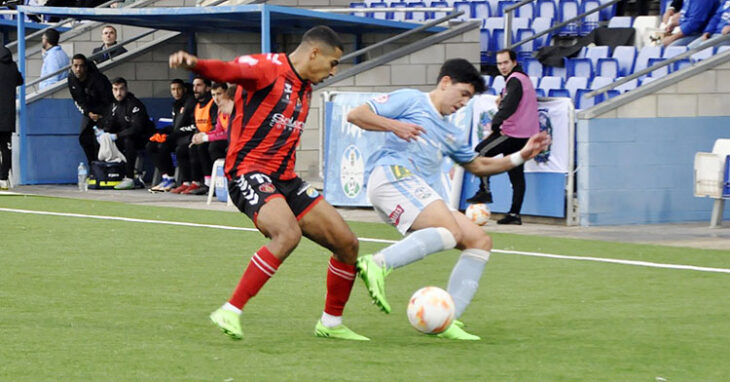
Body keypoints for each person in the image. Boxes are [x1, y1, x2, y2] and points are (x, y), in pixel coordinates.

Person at [169, 25, 369, 341]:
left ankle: (331, 324)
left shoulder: (305, 88)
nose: (333, 72)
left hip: (285, 179)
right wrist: (196, 65)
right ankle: (230, 310)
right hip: (248, 171)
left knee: (348, 244)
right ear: (314, 53)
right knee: (287, 233)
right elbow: (229, 70)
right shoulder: (268, 68)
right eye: (333, 63)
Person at [347, 58, 550, 340]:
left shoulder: (450, 133)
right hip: (390, 177)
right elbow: (356, 115)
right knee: (450, 230)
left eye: (470, 98)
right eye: (463, 94)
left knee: (480, 240)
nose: (464, 102)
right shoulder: (411, 100)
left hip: (416, 191)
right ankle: (377, 264)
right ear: (445, 83)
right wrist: (395, 126)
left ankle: (447, 319)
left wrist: (521, 155)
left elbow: (478, 166)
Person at [466, 49, 539, 225]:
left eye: (505, 62)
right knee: (516, 173)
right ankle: (514, 214)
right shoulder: (522, 79)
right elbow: (510, 98)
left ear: (514, 62)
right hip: (526, 134)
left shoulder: (515, 80)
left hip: (513, 132)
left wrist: (496, 123)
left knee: (480, 152)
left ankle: (485, 190)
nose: (502, 67)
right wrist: (501, 98)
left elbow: (510, 104)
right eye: (499, 64)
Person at [99, 77, 155, 190]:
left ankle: (130, 178)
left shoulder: (135, 105)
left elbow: (137, 128)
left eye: (121, 89)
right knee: (100, 138)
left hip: (143, 138)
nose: (118, 93)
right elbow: (111, 125)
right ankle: (101, 172)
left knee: (129, 140)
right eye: (115, 89)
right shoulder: (115, 105)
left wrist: (117, 135)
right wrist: (103, 131)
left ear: (126, 89)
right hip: (125, 136)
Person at [169, 76, 215, 195]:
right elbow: (197, 124)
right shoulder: (198, 105)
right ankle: (187, 182)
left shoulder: (212, 103)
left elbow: (216, 125)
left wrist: (203, 136)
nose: (195, 89)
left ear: (208, 88)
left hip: (213, 137)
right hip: (201, 136)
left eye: (199, 85)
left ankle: (206, 183)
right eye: (194, 86)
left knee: (200, 148)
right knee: (181, 149)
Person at [68, 54, 114, 166]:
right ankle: (92, 166)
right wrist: (88, 113)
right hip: (89, 112)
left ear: (86, 67)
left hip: (104, 111)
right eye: (75, 66)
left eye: (81, 66)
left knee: (100, 139)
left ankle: (102, 166)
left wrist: (102, 116)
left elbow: (108, 100)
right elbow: (78, 100)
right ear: (72, 66)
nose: (78, 69)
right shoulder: (71, 79)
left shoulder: (98, 80)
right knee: (84, 138)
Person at [148, 78, 192, 192]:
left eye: (178, 89)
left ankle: (172, 179)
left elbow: (191, 126)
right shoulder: (175, 105)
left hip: (186, 138)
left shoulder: (189, 103)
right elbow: (175, 125)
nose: (176, 92)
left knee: (164, 145)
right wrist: (161, 132)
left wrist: (170, 136)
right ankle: (166, 177)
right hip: (177, 136)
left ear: (184, 90)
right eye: (173, 89)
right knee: (151, 145)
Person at [189, 82, 233, 184]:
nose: (216, 98)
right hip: (228, 140)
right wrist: (203, 135)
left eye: (219, 94)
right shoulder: (220, 110)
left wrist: (206, 138)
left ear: (227, 93)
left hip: (237, 141)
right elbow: (219, 130)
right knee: (199, 146)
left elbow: (229, 133)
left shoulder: (233, 109)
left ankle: (225, 179)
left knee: (214, 146)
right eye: (213, 95)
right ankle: (208, 181)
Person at [0, 45, 23, 190]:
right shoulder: (13, 66)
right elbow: (20, 81)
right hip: (7, 115)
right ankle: (3, 179)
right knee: (5, 148)